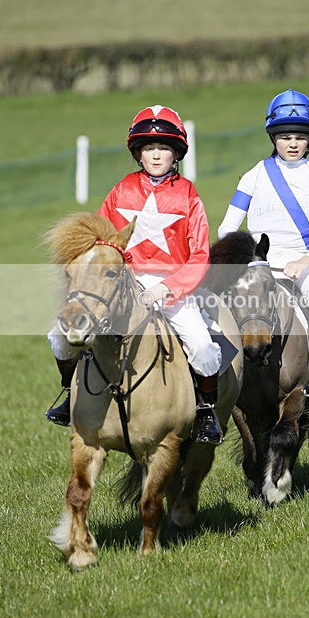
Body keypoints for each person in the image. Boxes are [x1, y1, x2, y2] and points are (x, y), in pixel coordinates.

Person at [46, 105, 225, 444]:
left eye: (164, 148)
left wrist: (167, 288)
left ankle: (205, 410)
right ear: (138, 153)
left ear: (176, 153)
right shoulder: (121, 190)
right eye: (149, 148)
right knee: (59, 335)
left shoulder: (188, 195)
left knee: (202, 345)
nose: (156, 155)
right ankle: (70, 393)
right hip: (121, 281)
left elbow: (200, 255)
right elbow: (99, 240)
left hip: (173, 287)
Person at [218, 89, 309, 401]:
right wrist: (247, 261)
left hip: (304, 266)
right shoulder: (253, 176)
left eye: (300, 137)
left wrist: (306, 261)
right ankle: (218, 375)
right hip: (259, 267)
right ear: (273, 138)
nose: (293, 144)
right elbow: (227, 228)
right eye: (285, 137)